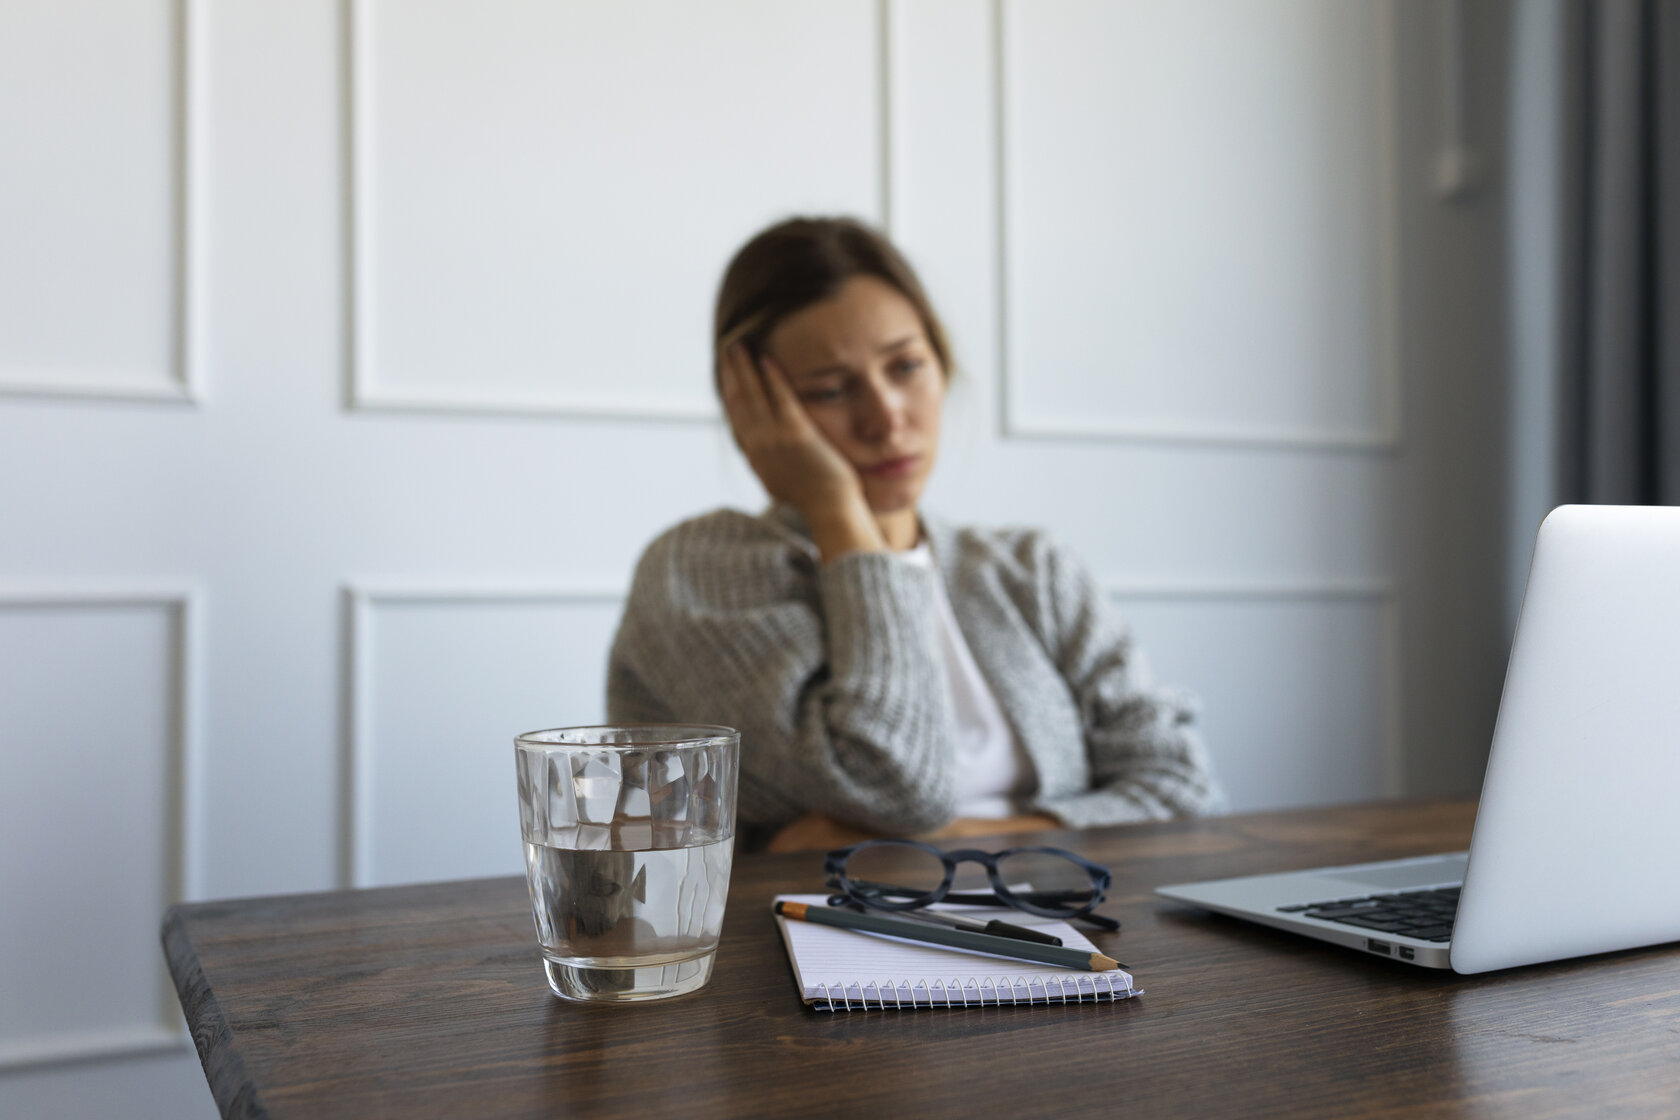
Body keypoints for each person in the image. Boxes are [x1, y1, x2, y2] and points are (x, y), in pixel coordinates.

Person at [606, 216, 1219, 851]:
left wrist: (958, 838)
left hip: (1065, 922)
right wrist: (837, 509)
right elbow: (895, 787)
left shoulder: (1032, 569)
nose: (887, 418)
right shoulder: (699, 573)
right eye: (831, 390)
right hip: (809, 944)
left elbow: (1182, 789)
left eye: (905, 367)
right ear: (751, 408)